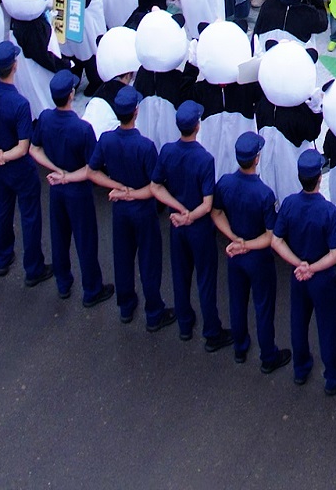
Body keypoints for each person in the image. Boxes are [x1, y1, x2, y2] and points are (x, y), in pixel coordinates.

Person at [95, 83, 173, 328]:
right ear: (136, 112)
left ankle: (126, 306)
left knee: (123, 257)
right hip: (143, 209)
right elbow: (154, 186)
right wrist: (133, 193)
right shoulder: (145, 146)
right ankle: (153, 312)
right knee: (149, 261)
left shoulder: (107, 140)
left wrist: (117, 187)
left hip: (120, 208)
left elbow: (92, 171)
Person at [275, 146, 336, 395]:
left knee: (298, 320)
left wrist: (299, 264)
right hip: (322, 278)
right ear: (320, 178)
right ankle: (333, 377)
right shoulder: (329, 211)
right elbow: (334, 255)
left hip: (299, 276)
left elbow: (277, 241)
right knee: (327, 327)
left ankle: (300, 367)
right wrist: (312, 267)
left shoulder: (288, 204)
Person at [0, 39, 46, 284]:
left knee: (3, 209)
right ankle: (33, 268)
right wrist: (4, 155)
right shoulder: (20, 104)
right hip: (20, 168)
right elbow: (23, 146)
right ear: (14, 66)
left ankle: (2, 257)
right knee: (30, 216)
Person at [33, 69, 108, 307]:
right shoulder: (82, 128)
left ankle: (63, 282)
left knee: (59, 235)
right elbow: (92, 168)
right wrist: (68, 176)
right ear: (71, 94)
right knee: (85, 239)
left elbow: (34, 150)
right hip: (77, 190)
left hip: (57, 186)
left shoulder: (45, 118)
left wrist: (56, 170)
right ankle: (92, 289)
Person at [215, 130, 286, 371]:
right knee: (263, 306)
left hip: (235, 253)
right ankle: (268, 356)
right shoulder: (264, 194)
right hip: (258, 257)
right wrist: (247, 244)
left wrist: (234, 238)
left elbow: (216, 213)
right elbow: (269, 236)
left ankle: (240, 347)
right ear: (256, 159)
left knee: (237, 301)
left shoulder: (225, 183)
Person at [157, 99, 224, 347]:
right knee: (205, 279)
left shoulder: (167, 151)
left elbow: (156, 186)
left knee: (180, 275)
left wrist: (179, 210)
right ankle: (212, 332)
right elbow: (207, 204)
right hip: (199, 228)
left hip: (177, 224)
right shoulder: (204, 159)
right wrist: (190, 214)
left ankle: (185, 324)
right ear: (197, 126)